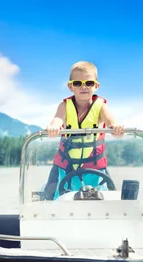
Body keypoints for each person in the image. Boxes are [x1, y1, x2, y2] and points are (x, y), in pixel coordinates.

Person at [44, 61, 125, 199]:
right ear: (70, 86)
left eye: (89, 83)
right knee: (50, 197)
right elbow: (57, 119)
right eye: (77, 83)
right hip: (65, 166)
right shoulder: (64, 106)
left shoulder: (101, 106)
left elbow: (111, 122)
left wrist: (115, 128)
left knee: (110, 198)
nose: (84, 87)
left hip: (94, 168)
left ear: (96, 86)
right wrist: (54, 126)